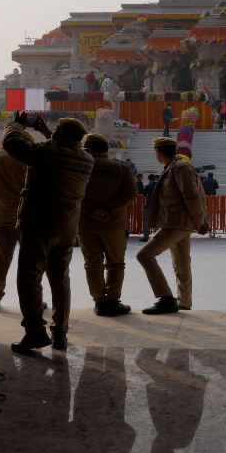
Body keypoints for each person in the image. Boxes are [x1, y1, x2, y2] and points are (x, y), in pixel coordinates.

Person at [3, 112, 93, 352]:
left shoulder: (47, 153)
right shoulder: (86, 159)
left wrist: (17, 125)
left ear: (61, 134)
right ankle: (60, 332)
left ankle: (34, 331)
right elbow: (62, 149)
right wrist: (49, 133)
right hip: (67, 228)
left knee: (30, 278)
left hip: (38, 225)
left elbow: (11, 143)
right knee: (60, 279)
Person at [137, 137, 211, 315]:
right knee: (181, 263)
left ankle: (166, 299)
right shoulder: (175, 167)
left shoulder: (180, 167)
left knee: (144, 255)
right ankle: (183, 302)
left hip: (177, 224)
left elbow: (194, 197)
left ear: (157, 152)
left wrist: (201, 222)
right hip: (177, 222)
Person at [78, 133, 139, 317]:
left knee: (92, 265)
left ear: (85, 148)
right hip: (114, 225)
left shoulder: (78, 168)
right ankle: (112, 302)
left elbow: (71, 194)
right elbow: (130, 194)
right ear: (107, 149)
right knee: (115, 264)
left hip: (86, 225)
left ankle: (98, 302)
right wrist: (107, 210)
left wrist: (92, 211)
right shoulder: (121, 168)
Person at [0, 140, 30, 311]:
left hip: (0, 216)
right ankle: (31, 300)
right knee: (31, 262)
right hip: (27, 218)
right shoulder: (30, 159)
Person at [140, 173, 159, 242]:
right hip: (158, 206)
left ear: (149, 179)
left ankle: (146, 237)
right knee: (157, 221)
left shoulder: (148, 186)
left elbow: (144, 194)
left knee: (146, 221)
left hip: (149, 205)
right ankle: (156, 236)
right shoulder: (160, 186)